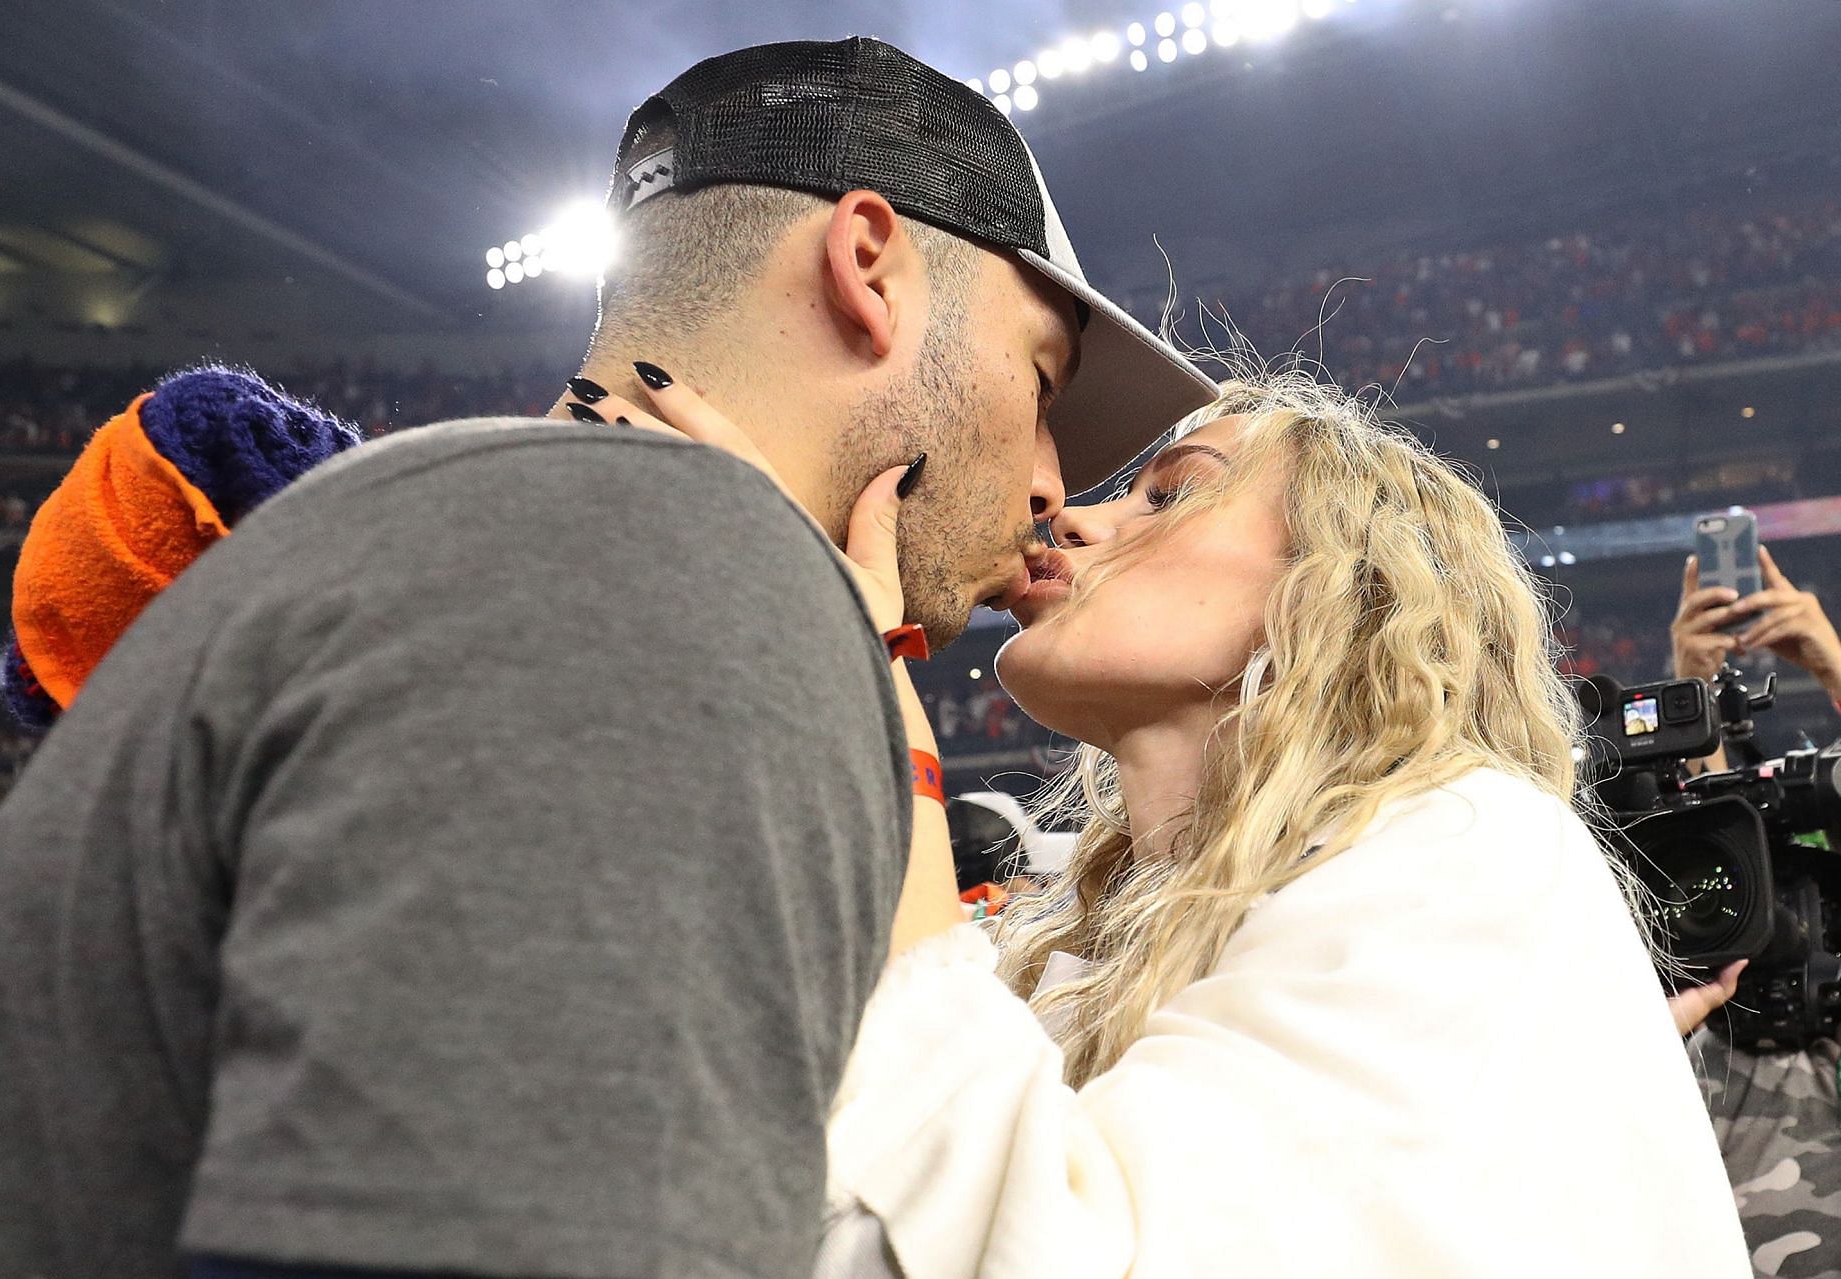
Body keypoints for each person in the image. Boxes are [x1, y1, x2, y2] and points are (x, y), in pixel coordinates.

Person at [0, 38, 1215, 1279]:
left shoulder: (393, 548)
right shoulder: (670, 569)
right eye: (1044, 382)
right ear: (869, 264)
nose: (1053, 481)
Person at [584, 370, 1752, 1276]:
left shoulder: (1473, 849)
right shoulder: (1075, 947)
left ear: (1341, 584)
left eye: (1170, 491)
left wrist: (840, 671)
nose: (1076, 521)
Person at [1671, 544, 1841, 1278]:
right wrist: (1691, 689)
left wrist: (1833, 663)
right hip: (1723, 1053)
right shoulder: (1670, 1072)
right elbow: (1709, 833)